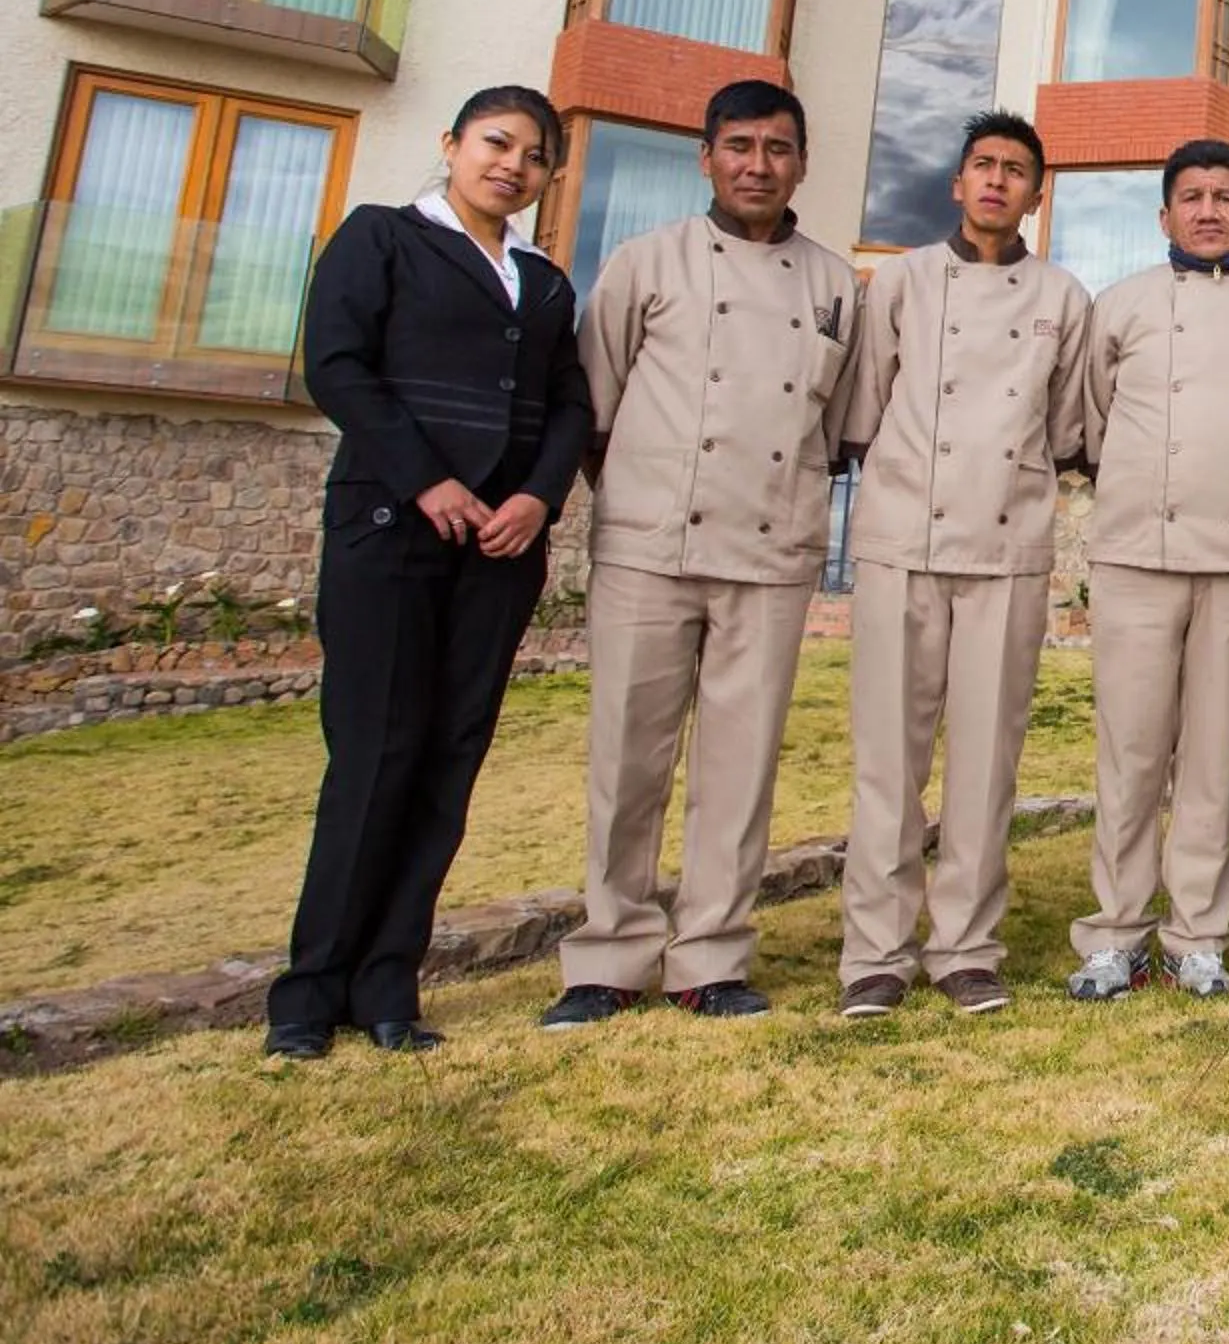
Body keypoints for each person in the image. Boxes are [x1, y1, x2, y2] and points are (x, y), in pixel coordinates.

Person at [263, 88, 592, 1059]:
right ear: (452, 145)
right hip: (389, 531)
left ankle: (389, 984)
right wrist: (428, 480)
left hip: (499, 551)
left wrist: (538, 498)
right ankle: (308, 992)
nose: (513, 165)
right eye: (497, 143)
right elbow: (338, 366)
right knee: (375, 753)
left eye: (535, 155)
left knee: (450, 759)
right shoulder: (382, 238)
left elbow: (567, 402)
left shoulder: (544, 281)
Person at [542, 82, 860, 1028]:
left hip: (770, 550)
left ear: (803, 161)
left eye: (776, 148)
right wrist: (644, 501)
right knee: (627, 757)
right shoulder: (644, 264)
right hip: (650, 545)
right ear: (706, 156)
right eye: (739, 146)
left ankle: (712, 955)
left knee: (740, 761)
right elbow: (593, 410)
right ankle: (608, 954)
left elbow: (834, 431)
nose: (757, 164)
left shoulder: (836, 284)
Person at [834, 109, 1092, 1019]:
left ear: (1035, 192)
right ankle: (874, 952)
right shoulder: (899, 283)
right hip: (905, 536)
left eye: (1015, 169)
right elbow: (864, 410)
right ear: (957, 182)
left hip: (1008, 545)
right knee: (888, 760)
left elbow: (1065, 430)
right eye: (982, 165)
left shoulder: (1063, 297)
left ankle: (966, 948)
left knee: (988, 759)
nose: (996, 181)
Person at [1068, 141, 1229, 999]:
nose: (1208, 209)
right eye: (1192, 196)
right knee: (1131, 752)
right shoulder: (1123, 305)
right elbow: (1096, 422)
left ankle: (1197, 937)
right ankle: (1114, 934)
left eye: (1225, 196)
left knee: (1215, 753)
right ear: (1165, 215)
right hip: (1137, 551)